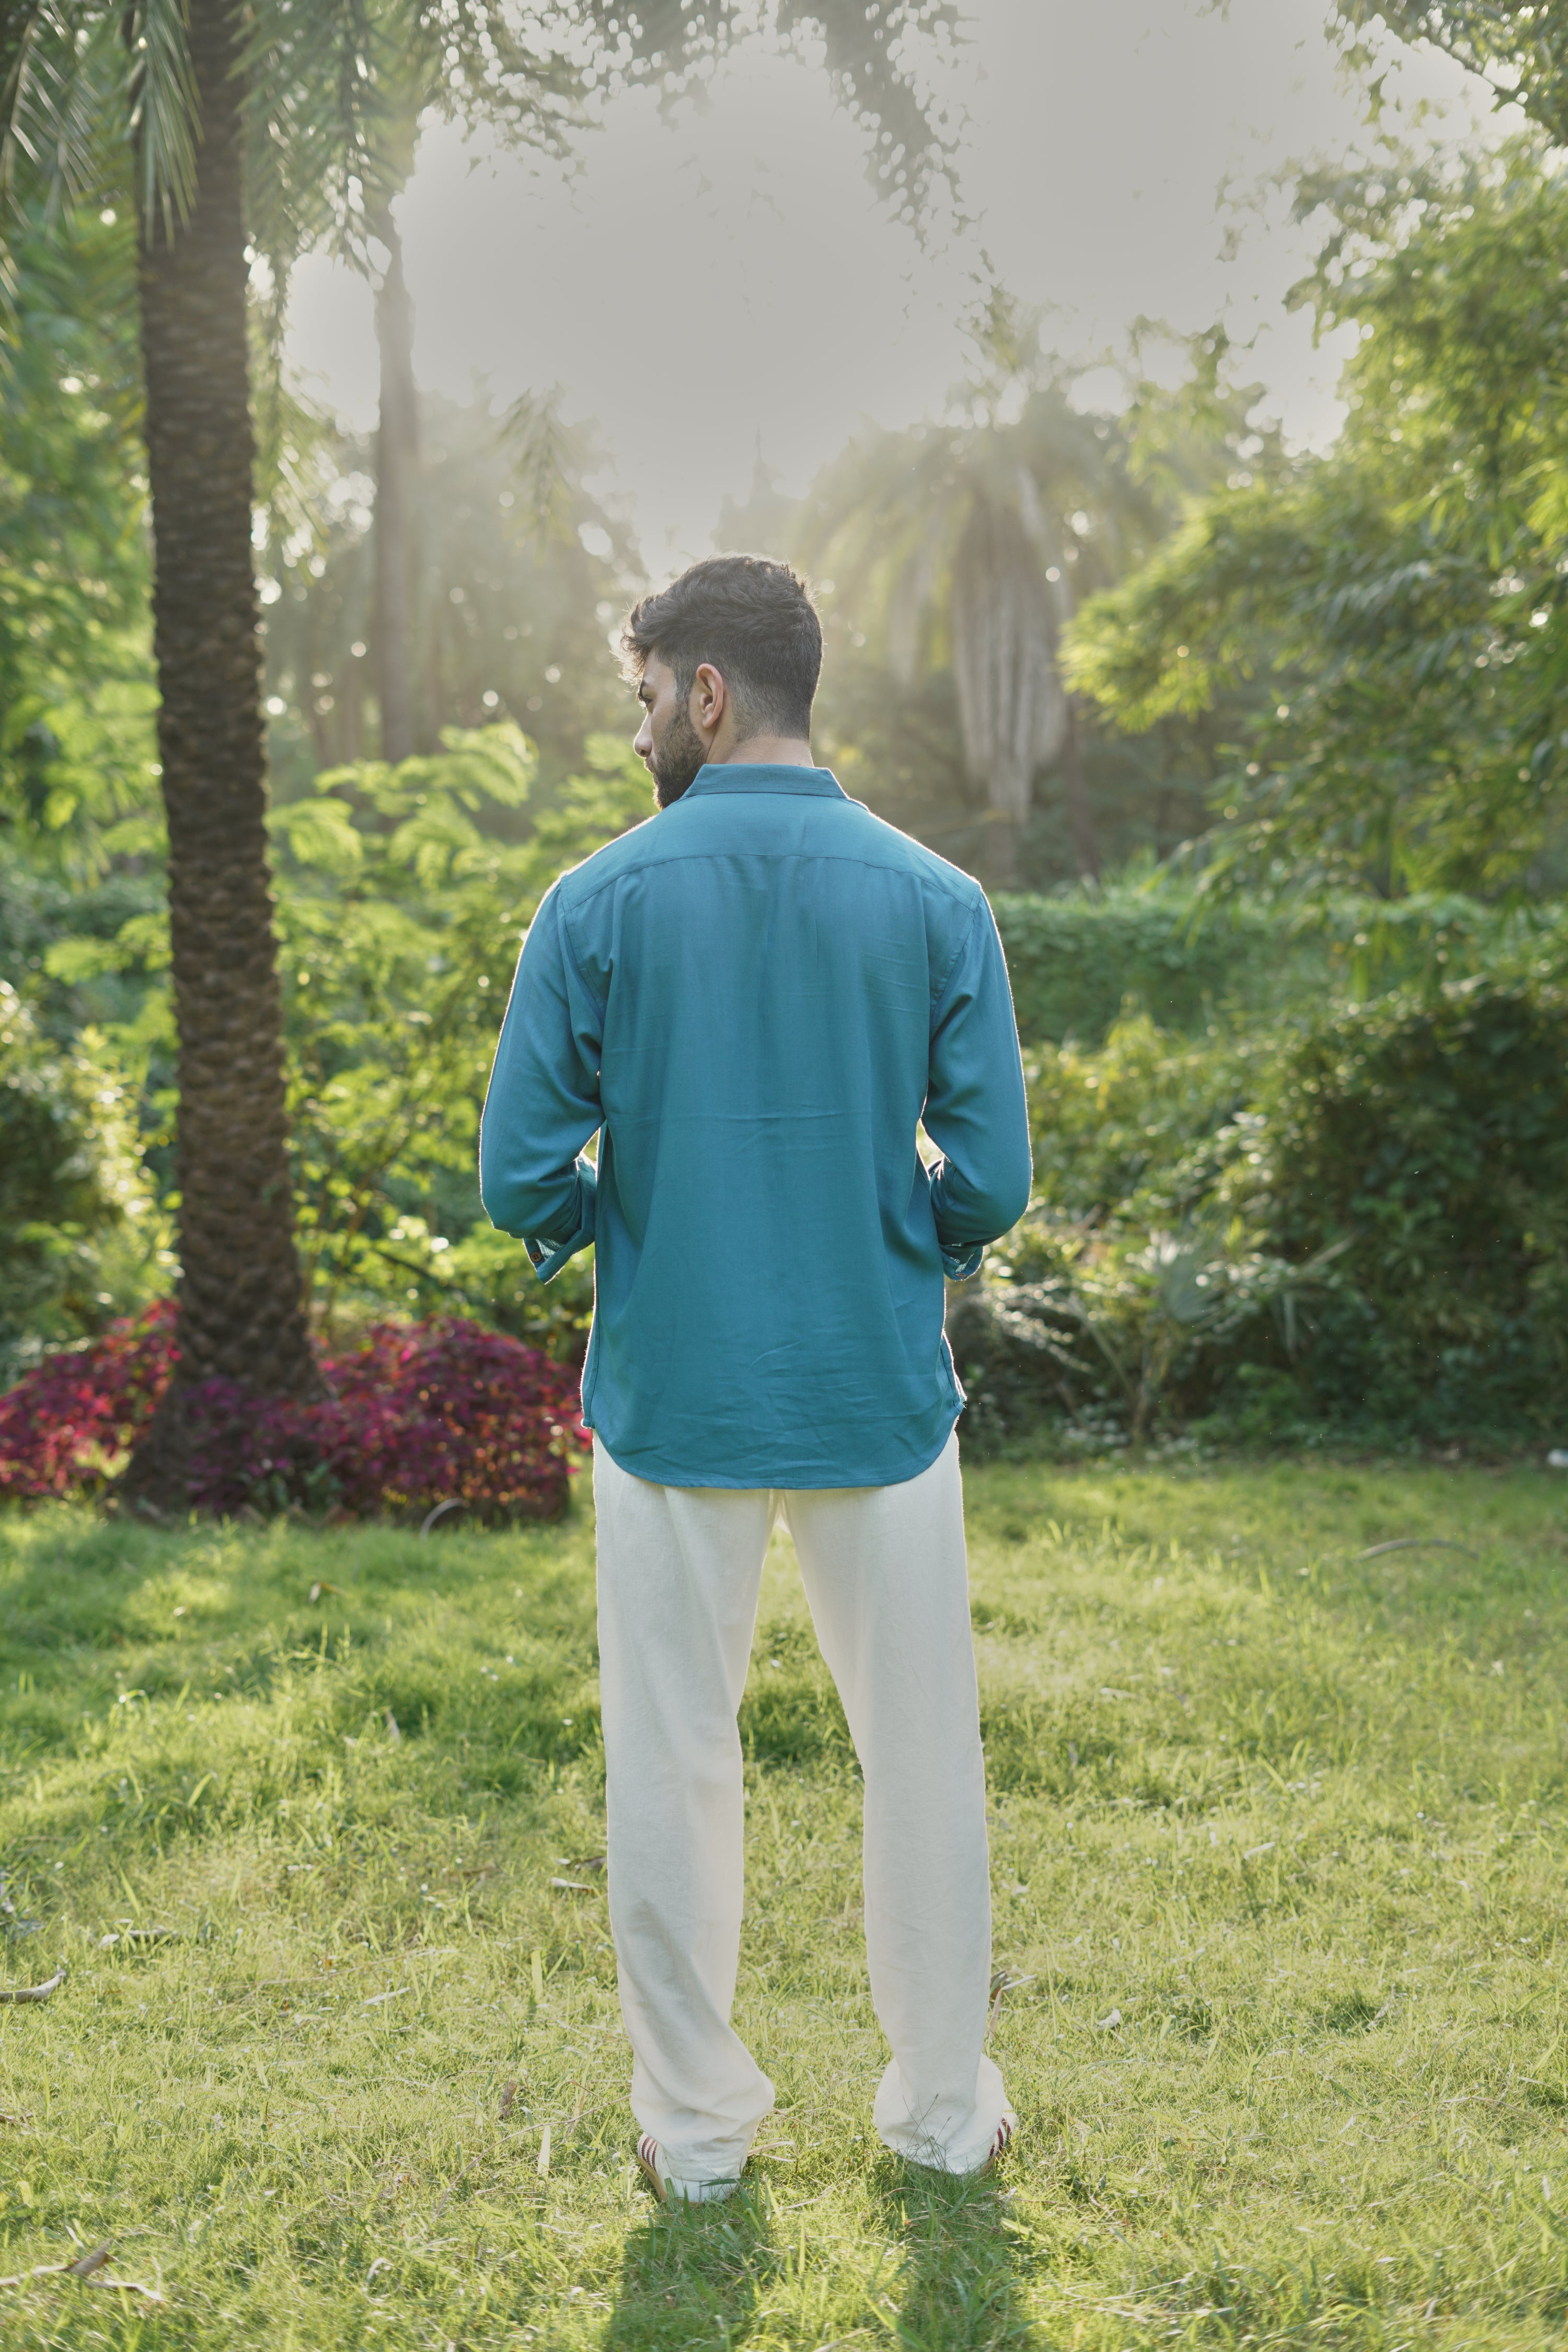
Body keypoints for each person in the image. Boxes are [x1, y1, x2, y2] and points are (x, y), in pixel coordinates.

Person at [479, 554, 1032, 2205]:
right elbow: (990, 1180)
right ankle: (942, 2113)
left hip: (672, 1400)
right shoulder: (941, 898)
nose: (641, 726)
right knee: (919, 1751)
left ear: (706, 694)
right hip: (878, 1391)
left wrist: (629, 1217)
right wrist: (883, 1230)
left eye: (646, 696)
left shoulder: (595, 903)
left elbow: (522, 1178)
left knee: (672, 1757)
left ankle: (702, 2141)